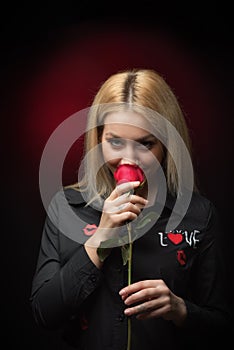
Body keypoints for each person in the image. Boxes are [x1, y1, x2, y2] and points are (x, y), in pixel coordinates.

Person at [30, 68, 231, 349]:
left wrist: (180, 309)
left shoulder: (198, 216)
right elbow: (44, 313)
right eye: (114, 141)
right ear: (98, 139)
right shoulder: (66, 208)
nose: (129, 159)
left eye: (145, 144)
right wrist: (101, 237)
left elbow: (222, 326)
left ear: (165, 145)